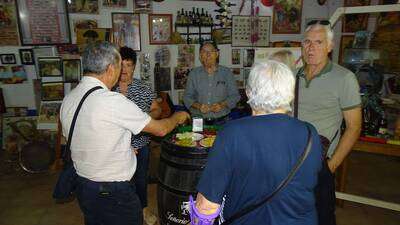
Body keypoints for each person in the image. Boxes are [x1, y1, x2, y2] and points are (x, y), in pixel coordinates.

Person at [60, 42, 190, 225]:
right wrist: (177, 117)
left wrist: (122, 148)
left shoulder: (70, 98)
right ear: (111, 68)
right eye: (121, 65)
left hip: (84, 186)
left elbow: (83, 138)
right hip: (112, 190)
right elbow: (160, 129)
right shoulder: (112, 100)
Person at [192, 60, 323, 225]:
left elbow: (206, 207)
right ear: (291, 95)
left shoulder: (232, 133)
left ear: (248, 92)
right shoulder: (310, 133)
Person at [297, 20, 362, 225]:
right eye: (307, 42)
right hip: (291, 162)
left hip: (320, 164)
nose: (311, 47)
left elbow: (354, 127)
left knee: (321, 216)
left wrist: (331, 166)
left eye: (318, 42)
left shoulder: (344, 78)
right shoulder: (293, 75)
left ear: (330, 46)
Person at [113, 46, 161, 224]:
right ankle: (120, 212)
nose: (125, 69)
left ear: (134, 67)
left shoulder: (144, 87)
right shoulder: (109, 89)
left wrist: (147, 119)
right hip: (115, 147)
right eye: (121, 65)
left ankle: (143, 209)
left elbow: (157, 109)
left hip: (140, 144)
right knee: (118, 181)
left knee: (140, 180)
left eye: (129, 65)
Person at [183, 41, 240, 124]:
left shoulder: (227, 73)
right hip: (199, 120)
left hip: (222, 120)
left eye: (211, 51)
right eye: (204, 52)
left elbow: (235, 96)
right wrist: (199, 106)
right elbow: (187, 97)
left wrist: (222, 105)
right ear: (200, 56)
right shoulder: (193, 74)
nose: (208, 54)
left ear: (217, 54)